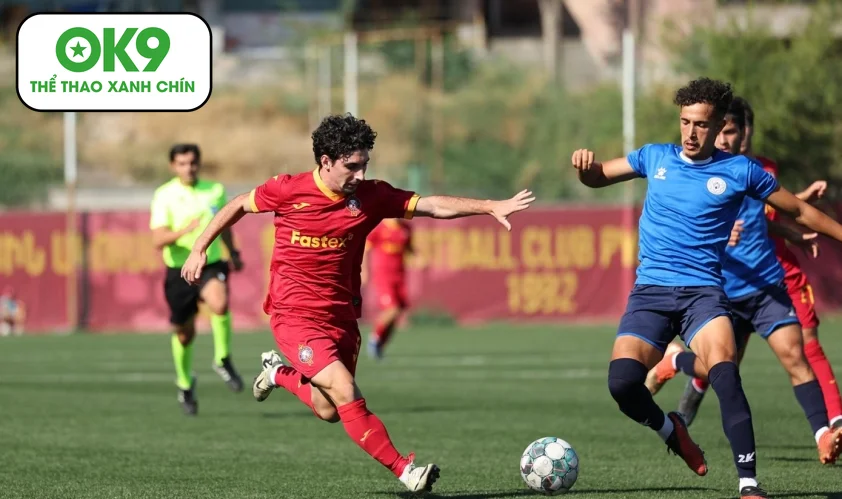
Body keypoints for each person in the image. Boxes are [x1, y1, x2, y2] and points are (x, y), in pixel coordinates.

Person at [180, 114, 534, 494]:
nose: (361, 174)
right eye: (352, 166)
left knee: (329, 409)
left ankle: (278, 373)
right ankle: (407, 470)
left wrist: (488, 206)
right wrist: (200, 247)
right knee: (345, 389)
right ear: (326, 161)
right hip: (293, 316)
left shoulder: (370, 197)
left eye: (365, 164)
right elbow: (239, 204)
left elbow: (431, 205)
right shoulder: (287, 189)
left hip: (342, 318)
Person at [572, 77, 842, 499]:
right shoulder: (654, 156)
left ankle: (749, 484)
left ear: (718, 127)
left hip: (703, 294)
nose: (691, 132)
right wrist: (585, 169)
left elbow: (800, 210)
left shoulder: (740, 171)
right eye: (685, 122)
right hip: (651, 293)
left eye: (700, 124)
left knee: (725, 374)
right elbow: (598, 177)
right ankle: (671, 430)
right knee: (622, 384)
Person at [643, 97, 842, 466]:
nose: (724, 139)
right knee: (716, 370)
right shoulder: (694, 173)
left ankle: (823, 435)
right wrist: (719, 234)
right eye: (721, 132)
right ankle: (676, 360)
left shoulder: (753, 171)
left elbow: (772, 213)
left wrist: (792, 231)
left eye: (731, 132)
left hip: (765, 286)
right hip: (721, 293)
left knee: (796, 354)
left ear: (739, 132)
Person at [150, 143, 245, 416]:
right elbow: (158, 239)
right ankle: (184, 383)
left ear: (199, 163)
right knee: (184, 333)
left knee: (220, 304)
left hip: (210, 263)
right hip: (179, 269)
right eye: (182, 163)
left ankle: (222, 358)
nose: (188, 168)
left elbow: (224, 226)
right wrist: (184, 231)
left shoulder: (214, 190)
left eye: (192, 162)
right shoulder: (164, 195)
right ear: (173, 166)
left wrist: (233, 252)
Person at [363, 218, 413, 360]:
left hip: (400, 276)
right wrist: (364, 270)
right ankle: (374, 338)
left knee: (397, 313)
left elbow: (409, 248)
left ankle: (380, 344)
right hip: (383, 275)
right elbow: (365, 248)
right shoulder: (379, 228)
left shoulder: (406, 228)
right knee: (392, 309)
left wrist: (418, 257)